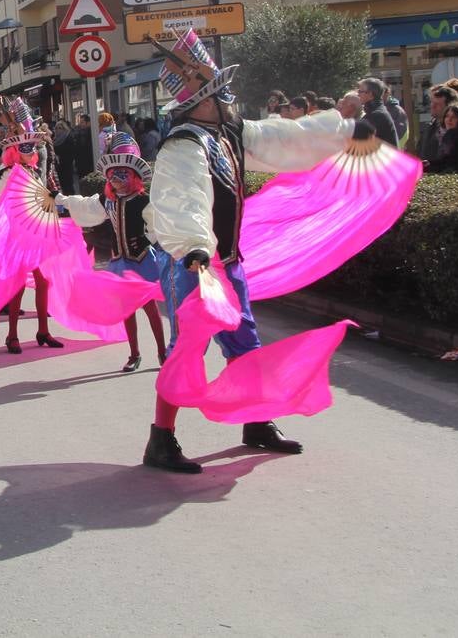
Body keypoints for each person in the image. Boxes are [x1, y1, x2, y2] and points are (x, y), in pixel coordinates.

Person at [143, 29, 373, 474]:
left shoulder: (230, 133)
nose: (230, 97)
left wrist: (340, 125)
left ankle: (255, 421)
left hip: (226, 264)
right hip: (195, 266)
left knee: (246, 344)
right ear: (205, 99)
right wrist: (194, 248)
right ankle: (161, 439)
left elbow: (286, 138)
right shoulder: (185, 144)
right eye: (221, 91)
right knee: (185, 351)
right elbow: (181, 200)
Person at [58, 133, 168, 372]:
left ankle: (162, 352)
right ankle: (134, 353)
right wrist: (60, 199)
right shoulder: (107, 202)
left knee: (150, 310)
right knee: (126, 311)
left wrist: (156, 242)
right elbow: (84, 205)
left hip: (142, 262)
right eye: (113, 174)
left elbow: (159, 226)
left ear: (134, 176)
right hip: (120, 263)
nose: (117, 179)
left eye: (123, 173)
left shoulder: (143, 201)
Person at [0, 99, 62, 354]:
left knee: (44, 282)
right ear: (14, 150)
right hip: (16, 237)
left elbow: (39, 200)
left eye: (32, 147)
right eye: (25, 147)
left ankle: (43, 330)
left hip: (35, 234)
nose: (31, 151)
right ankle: (11, 336)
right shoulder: (7, 173)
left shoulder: (32, 172)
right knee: (18, 285)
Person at [419, 82, 458, 167]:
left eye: (437, 104)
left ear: (448, 107)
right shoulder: (431, 126)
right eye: (432, 102)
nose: (432, 106)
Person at [427, 103, 458, 172]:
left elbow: (448, 161)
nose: (449, 119)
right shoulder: (446, 135)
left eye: (454, 117)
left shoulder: (456, 136)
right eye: (447, 116)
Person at [356, 78, 398, 145]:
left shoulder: (377, 115)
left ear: (370, 94)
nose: (358, 94)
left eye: (360, 91)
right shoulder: (377, 111)